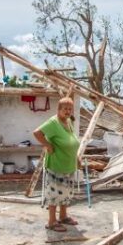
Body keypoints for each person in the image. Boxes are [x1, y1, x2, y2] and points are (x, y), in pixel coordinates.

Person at [33, 97, 80, 232]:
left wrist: (76, 157)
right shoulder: (53, 122)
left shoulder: (68, 121)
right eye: (65, 108)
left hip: (68, 164)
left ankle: (63, 217)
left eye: (70, 109)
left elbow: (71, 141)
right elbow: (37, 133)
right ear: (58, 109)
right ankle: (52, 222)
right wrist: (47, 145)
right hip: (56, 164)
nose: (68, 111)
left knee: (66, 192)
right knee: (54, 194)